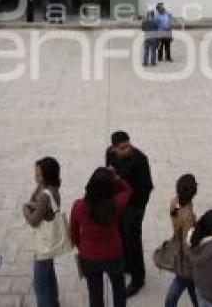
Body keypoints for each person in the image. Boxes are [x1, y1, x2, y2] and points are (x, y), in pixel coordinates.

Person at [69, 167, 133, 307]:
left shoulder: (78, 206)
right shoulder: (116, 204)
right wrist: (117, 178)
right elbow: (128, 190)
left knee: (95, 293)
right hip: (113, 254)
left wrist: (83, 248)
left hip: (89, 257)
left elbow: (73, 234)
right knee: (118, 288)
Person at [105, 130, 153, 296]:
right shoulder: (109, 154)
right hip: (119, 203)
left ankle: (138, 278)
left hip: (134, 206)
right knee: (119, 234)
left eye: (128, 146)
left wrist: (138, 208)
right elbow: (109, 174)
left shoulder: (140, 159)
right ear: (114, 148)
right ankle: (125, 263)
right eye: (122, 148)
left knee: (133, 240)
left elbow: (147, 186)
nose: (127, 150)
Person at [22, 157, 64, 307]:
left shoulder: (46, 194)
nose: (36, 177)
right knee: (48, 274)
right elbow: (35, 200)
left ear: (48, 175)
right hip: (48, 239)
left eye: (39, 174)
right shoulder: (48, 187)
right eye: (36, 173)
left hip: (44, 243)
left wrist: (25, 209)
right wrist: (34, 203)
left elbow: (33, 221)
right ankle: (53, 302)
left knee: (40, 282)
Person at [165, 174, 199, 307]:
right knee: (180, 281)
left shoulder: (175, 202)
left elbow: (174, 215)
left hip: (177, 244)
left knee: (191, 284)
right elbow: (187, 241)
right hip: (186, 256)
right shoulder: (188, 216)